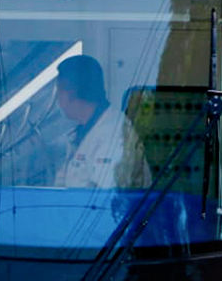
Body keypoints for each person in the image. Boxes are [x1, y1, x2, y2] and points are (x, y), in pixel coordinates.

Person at [52, 55, 151, 189]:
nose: (57, 98)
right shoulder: (83, 132)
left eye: (58, 90)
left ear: (69, 92)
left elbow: (105, 202)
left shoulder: (113, 136)